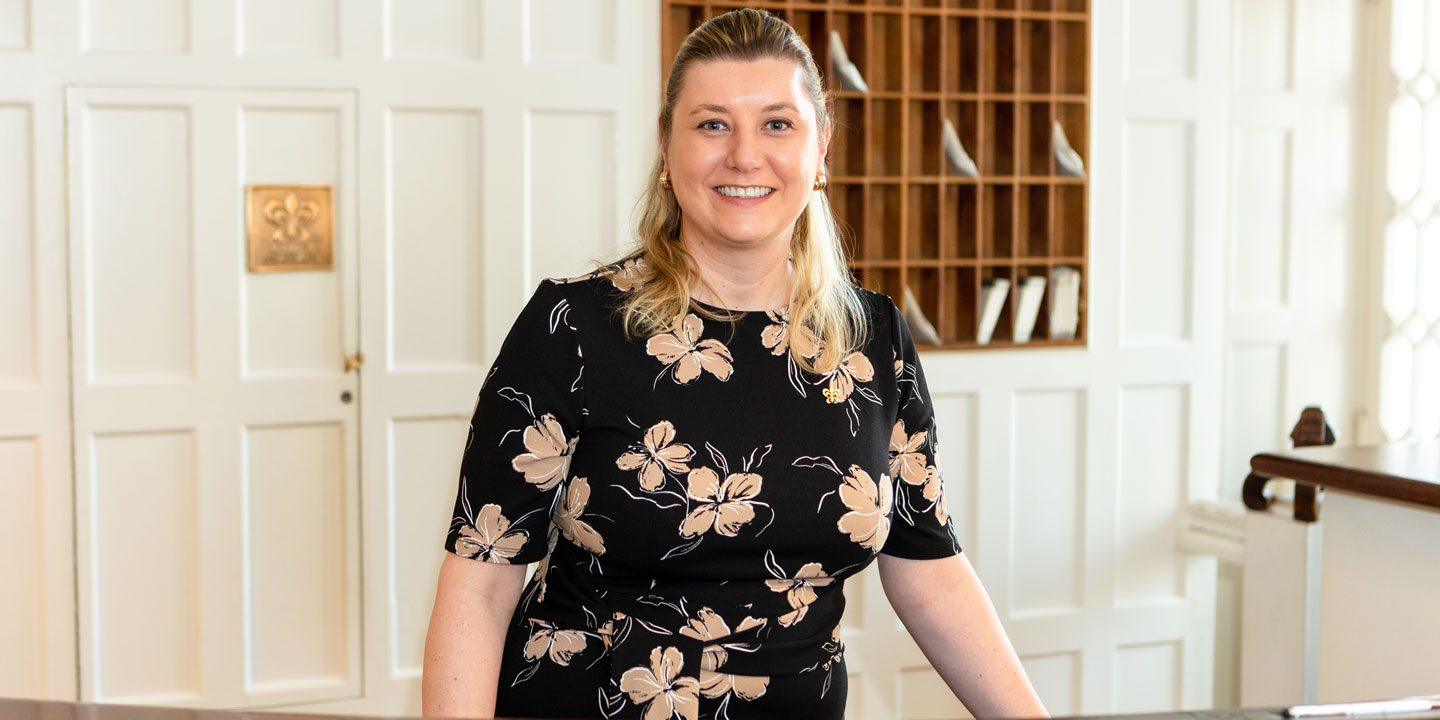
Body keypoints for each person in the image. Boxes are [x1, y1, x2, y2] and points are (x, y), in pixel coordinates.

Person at [422, 8, 1047, 720]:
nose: (745, 156)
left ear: (821, 152)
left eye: (778, 124)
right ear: (666, 147)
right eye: (712, 124)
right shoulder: (572, 327)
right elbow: (481, 584)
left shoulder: (872, 337)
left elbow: (929, 571)